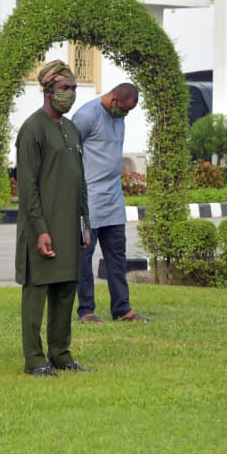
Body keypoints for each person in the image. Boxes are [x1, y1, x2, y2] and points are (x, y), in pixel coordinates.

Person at [15, 60, 94, 377]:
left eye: (73, 88)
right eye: (65, 89)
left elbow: (80, 179)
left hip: (69, 225)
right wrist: (40, 230)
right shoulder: (32, 129)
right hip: (42, 228)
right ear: (48, 91)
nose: (71, 94)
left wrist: (84, 222)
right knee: (36, 296)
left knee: (65, 292)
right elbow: (28, 186)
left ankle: (60, 354)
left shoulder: (70, 128)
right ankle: (35, 360)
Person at [74, 83, 149, 324]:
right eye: (124, 110)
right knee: (84, 257)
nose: (125, 115)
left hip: (114, 197)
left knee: (117, 256)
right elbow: (68, 153)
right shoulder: (86, 116)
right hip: (89, 198)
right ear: (114, 100)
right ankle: (86, 310)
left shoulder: (118, 115)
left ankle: (122, 308)